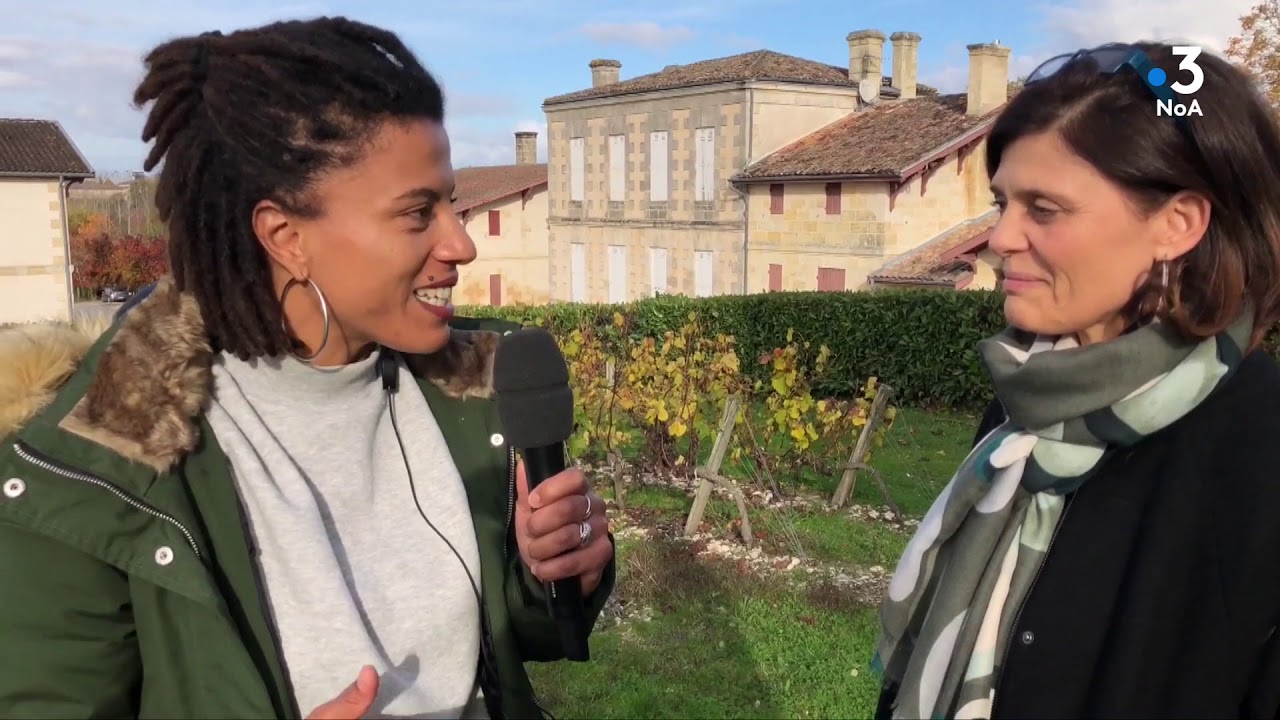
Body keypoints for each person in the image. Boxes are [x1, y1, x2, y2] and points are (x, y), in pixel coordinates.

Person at [0, 17, 615, 720]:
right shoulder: (88, 467)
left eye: (450, 201)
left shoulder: (472, 390)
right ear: (286, 238)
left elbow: (515, 639)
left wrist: (555, 575)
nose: (462, 243)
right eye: (419, 213)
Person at [872, 42, 1280, 719]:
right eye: (1003, 202)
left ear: (1177, 224)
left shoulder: (1259, 460)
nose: (1000, 237)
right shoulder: (1026, 407)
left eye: (1044, 208)